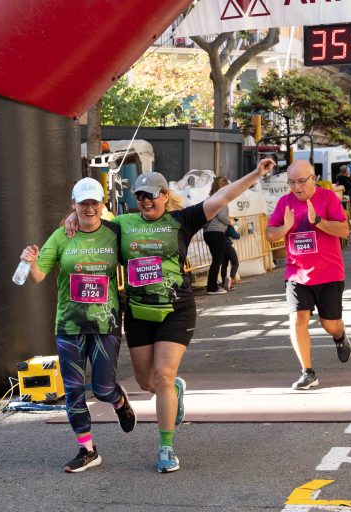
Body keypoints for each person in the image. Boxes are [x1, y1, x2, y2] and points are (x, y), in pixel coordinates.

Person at [67, 159, 276, 473]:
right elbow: (91, 219)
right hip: (138, 312)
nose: (145, 201)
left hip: (176, 311)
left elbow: (222, 197)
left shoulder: (182, 220)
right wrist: (72, 215)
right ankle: (175, 390)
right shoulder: (123, 224)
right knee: (145, 381)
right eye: (140, 196)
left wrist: (256, 173)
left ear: (165, 196)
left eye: (152, 195)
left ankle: (166, 448)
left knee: (162, 375)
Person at [19, 177, 136, 473]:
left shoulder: (114, 231)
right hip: (69, 324)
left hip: (105, 322)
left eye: (94, 202)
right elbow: (39, 276)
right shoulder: (62, 235)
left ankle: (119, 401)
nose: (89, 208)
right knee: (73, 390)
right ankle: (88, 450)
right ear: (73, 204)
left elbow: (139, 244)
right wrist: (30, 262)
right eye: (83, 203)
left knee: (103, 387)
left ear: (102, 204)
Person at [265, 160, 351, 390]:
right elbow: (269, 234)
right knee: (297, 319)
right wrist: (284, 228)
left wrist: (318, 221)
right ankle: (308, 372)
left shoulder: (328, 198)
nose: (296, 187)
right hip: (297, 273)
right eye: (291, 182)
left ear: (313, 178)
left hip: (329, 273)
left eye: (301, 181)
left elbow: (344, 230)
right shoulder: (285, 203)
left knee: (329, 324)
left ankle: (339, 335)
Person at [202, 176, 231, 295]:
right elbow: (222, 216)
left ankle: (214, 283)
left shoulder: (209, 199)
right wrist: (230, 222)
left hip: (208, 233)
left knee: (217, 259)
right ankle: (212, 287)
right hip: (217, 232)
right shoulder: (221, 200)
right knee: (218, 260)